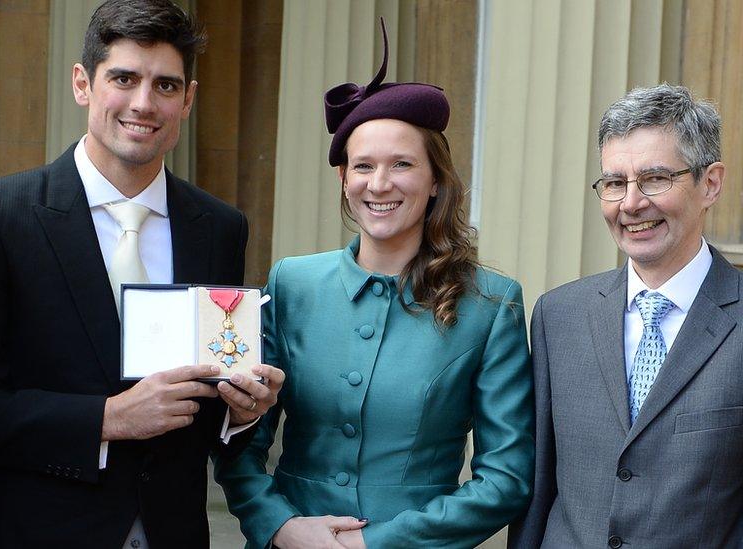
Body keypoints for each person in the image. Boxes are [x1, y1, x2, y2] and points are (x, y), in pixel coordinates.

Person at [0, 1, 285, 547]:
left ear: (188, 100)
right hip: (35, 531)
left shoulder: (219, 227)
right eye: (123, 78)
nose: (143, 104)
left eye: (166, 86)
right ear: (83, 84)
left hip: (174, 531)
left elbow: (209, 390)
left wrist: (241, 409)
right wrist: (106, 418)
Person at [215, 23, 534, 549]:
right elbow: (239, 436)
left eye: (402, 164)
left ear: (436, 181)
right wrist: (281, 527)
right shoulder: (291, 282)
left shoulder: (491, 303)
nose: (379, 184)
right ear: (344, 178)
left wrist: (375, 543)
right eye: (363, 166)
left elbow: (506, 477)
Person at [509, 84, 743, 548]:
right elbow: (538, 490)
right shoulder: (558, 315)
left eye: (655, 179)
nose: (631, 204)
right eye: (615, 183)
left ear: (710, 183)